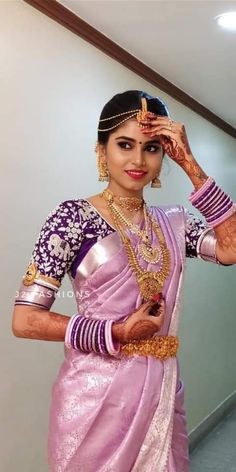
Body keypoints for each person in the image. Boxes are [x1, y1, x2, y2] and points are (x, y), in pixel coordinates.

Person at [12, 90, 236, 472]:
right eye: (124, 144)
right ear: (102, 150)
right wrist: (115, 331)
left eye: (152, 148)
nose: (137, 160)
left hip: (160, 395)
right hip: (94, 401)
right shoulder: (73, 218)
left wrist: (190, 163)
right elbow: (25, 319)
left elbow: (231, 248)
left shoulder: (175, 223)